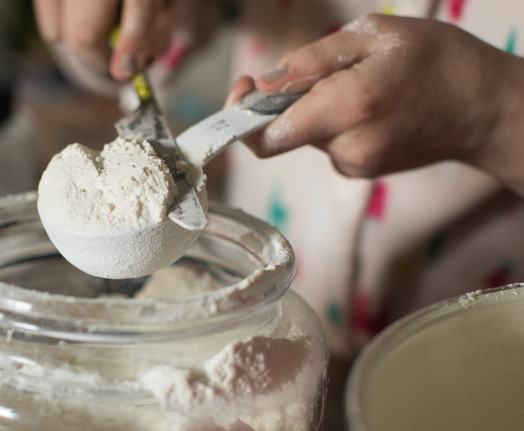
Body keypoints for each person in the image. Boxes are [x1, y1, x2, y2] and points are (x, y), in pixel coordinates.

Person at [34, 0, 524, 357]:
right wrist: (113, 22)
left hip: (479, 358)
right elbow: (178, 22)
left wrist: (494, 112)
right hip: (260, 336)